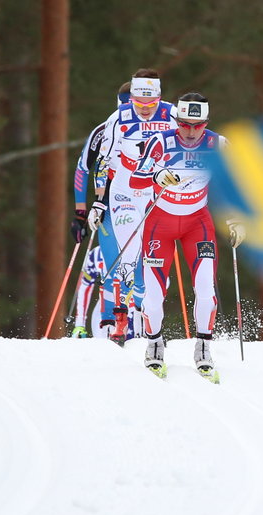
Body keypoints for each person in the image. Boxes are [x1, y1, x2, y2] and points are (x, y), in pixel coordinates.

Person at [130, 92, 234, 381]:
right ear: (176, 121)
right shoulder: (160, 141)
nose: (190, 131)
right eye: (184, 124)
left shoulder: (219, 144)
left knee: (205, 289)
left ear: (206, 123)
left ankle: (203, 348)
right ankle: (154, 345)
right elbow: (135, 178)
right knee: (153, 295)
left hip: (196, 223)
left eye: (197, 125)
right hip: (159, 223)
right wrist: (156, 176)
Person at [88, 69, 177, 345]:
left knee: (150, 258)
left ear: (160, 98)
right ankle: (121, 321)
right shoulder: (117, 119)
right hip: (125, 189)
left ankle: (146, 310)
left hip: (157, 190)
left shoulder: (173, 114)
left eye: (151, 104)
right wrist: (98, 201)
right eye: (139, 103)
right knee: (127, 255)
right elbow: (102, 163)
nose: (146, 110)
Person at [69, 82, 131, 337]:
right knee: (112, 265)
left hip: (143, 205)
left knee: (141, 267)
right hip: (106, 206)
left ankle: (141, 325)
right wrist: (80, 214)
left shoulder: (155, 130)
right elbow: (83, 169)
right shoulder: (104, 130)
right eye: (126, 106)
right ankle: (108, 325)